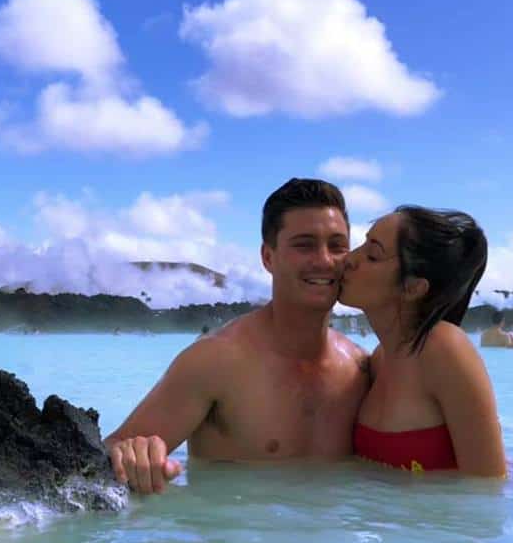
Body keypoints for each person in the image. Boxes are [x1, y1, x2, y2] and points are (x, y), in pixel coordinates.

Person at [104, 178, 370, 494]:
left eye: (337, 246)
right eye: (304, 245)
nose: (324, 260)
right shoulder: (217, 361)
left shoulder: (361, 368)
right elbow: (111, 448)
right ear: (268, 257)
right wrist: (131, 455)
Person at [338, 206, 506, 477]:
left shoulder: (445, 349)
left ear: (413, 288)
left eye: (372, 255)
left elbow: (488, 485)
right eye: (362, 244)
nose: (349, 259)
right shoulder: (380, 359)